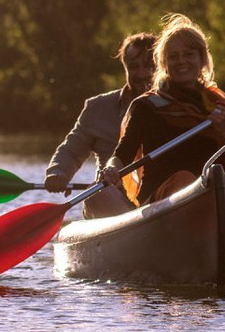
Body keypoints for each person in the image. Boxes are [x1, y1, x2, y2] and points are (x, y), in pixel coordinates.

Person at [98, 13, 225, 206]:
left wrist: (223, 131)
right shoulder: (147, 105)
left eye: (188, 54)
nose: (181, 61)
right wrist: (111, 169)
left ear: (202, 59)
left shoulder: (218, 106)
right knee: (185, 180)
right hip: (164, 196)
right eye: (173, 56)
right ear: (164, 64)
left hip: (211, 193)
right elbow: (122, 155)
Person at [44, 32, 157, 218]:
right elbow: (72, 150)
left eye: (149, 66)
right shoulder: (98, 108)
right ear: (125, 68)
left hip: (159, 199)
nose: (142, 73)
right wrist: (58, 172)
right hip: (110, 198)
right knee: (98, 193)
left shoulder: (175, 105)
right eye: (134, 67)